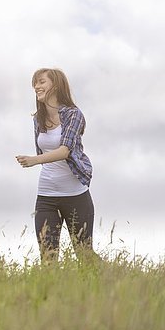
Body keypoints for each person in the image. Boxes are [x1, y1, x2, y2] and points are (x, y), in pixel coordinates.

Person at [15, 68, 99, 264]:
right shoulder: (38, 118)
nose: (36, 86)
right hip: (46, 196)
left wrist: (34, 161)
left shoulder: (73, 114)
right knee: (48, 257)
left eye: (41, 82)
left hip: (75, 195)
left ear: (56, 85)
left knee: (84, 254)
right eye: (35, 83)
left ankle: (112, 278)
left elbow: (64, 151)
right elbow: (42, 150)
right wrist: (37, 159)